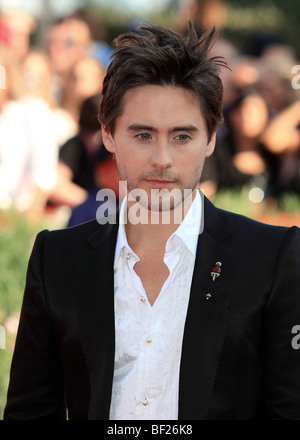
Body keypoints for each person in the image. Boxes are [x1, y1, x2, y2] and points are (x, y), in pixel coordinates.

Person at [4, 22, 300, 420]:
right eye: (143, 135)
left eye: (182, 137)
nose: (162, 158)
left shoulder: (272, 258)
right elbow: (30, 410)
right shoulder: (57, 258)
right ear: (108, 134)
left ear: (211, 137)